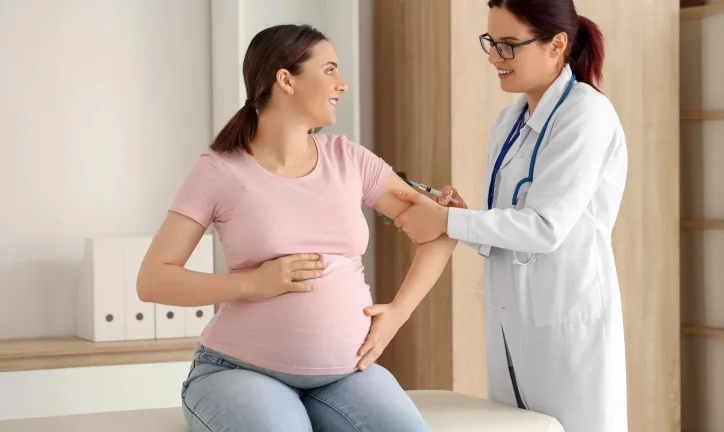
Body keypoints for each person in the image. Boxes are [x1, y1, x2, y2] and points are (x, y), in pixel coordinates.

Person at [136, 24, 456, 432]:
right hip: (239, 370)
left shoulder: (350, 160)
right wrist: (252, 284)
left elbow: (439, 231)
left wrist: (397, 313)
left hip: (346, 373)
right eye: (329, 70)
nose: (342, 84)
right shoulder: (219, 170)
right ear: (286, 80)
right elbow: (153, 280)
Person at [390, 1, 628, 432]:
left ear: (556, 45)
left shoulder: (586, 114)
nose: (494, 58)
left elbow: (545, 228)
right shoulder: (509, 121)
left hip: (567, 325)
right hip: (510, 323)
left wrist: (446, 223)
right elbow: (508, 224)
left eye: (509, 45)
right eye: (492, 43)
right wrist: (458, 216)